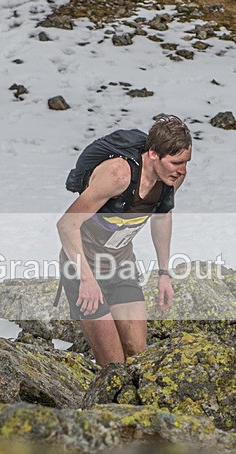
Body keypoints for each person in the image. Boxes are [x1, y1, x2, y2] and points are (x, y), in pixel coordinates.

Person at [57, 115, 192, 365]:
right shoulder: (118, 175)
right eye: (176, 162)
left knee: (138, 356)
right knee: (113, 365)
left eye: (186, 162)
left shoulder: (171, 177)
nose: (182, 170)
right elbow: (67, 225)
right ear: (153, 154)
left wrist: (164, 273)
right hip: (83, 267)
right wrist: (87, 279)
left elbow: (162, 217)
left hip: (121, 266)